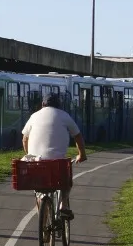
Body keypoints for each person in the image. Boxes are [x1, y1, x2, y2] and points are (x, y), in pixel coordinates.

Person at [21, 91, 86, 220]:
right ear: (59, 105)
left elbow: (24, 138)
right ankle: (63, 205)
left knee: (38, 188)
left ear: (42, 104)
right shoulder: (64, 116)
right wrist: (81, 154)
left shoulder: (34, 116)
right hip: (57, 163)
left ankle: (43, 218)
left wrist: (29, 155)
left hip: (37, 162)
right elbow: (77, 136)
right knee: (66, 181)